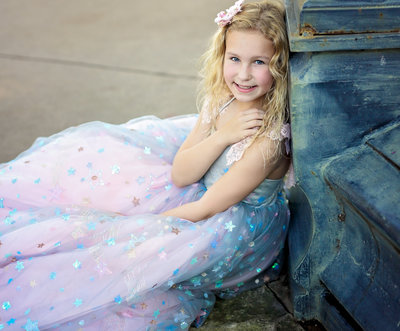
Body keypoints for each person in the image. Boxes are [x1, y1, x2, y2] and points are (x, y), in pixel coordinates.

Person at [0, 0, 292, 329]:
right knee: (101, 168)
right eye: (234, 58)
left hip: (233, 226)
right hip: (199, 193)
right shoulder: (222, 97)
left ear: (280, 65)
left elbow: (207, 209)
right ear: (221, 55)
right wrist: (223, 136)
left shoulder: (267, 143)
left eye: (259, 62)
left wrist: (129, 228)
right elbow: (182, 174)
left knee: (126, 254)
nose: (242, 74)